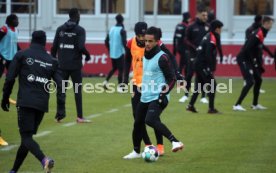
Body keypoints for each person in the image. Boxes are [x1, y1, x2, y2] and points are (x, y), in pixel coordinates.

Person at [1, 30, 63, 173]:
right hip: (41, 105)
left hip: (25, 103)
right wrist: (61, 108)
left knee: (26, 137)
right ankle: (13, 170)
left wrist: (5, 97)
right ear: (44, 41)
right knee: (26, 140)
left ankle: (44, 160)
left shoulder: (21, 55)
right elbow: (61, 85)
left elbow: (10, 78)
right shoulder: (52, 61)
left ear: (31, 40)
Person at [123, 27, 184, 159]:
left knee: (150, 120)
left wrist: (163, 94)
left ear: (157, 42)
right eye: (146, 41)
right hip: (145, 95)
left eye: (151, 41)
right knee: (138, 123)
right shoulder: (145, 52)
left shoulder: (162, 57)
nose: (147, 43)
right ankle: (136, 151)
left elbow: (172, 79)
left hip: (159, 96)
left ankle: (175, 141)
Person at [51, 8, 91, 123]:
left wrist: (54, 60)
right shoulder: (80, 30)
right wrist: (87, 55)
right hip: (75, 66)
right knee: (77, 91)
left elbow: (54, 47)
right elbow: (81, 47)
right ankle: (79, 117)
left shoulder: (60, 29)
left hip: (62, 65)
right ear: (78, 16)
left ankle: (59, 116)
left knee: (61, 90)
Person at [233, 16, 274, 111]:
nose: (271, 26)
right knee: (250, 81)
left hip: (250, 59)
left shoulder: (263, 32)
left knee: (258, 80)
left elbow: (259, 46)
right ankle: (237, 105)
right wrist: (253, 60)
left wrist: (270, 55)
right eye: (271, 24)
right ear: (266, 23)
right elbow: (247, 48)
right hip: (243, 58)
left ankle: (255, 104)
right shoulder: (258, 33)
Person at [186, 20, 224, 114]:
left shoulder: (210, 35)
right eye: (220, 28)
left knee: (199, 87)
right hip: (202, 65)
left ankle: (190, 106)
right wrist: (210, 68)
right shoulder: (211, 37)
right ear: (217, 28)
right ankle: (211, 109)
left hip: (198, 64)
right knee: (212, 85)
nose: (221, 30)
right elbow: (208, 53)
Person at [179, 6, 209, 104]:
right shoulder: (191, 26)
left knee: (202, 76)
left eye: (206, 15)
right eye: (203, 15)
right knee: (189, 74)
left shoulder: (208, 27)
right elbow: (186, 40)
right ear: (198, 15)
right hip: (192, 55)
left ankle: (203, 96)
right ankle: (185, 95)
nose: (205, 17)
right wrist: (195, 48)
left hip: (204, 56)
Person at [0, 14, 20, 146]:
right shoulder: (4, 29)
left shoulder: (15, 30)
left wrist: (20, 52)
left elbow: (15, 44)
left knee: (11, 79)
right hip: (3, 56)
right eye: (15, 20)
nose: (17, 21)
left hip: (12, 58)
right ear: (10, 21)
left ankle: (7, 96)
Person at [245, 15, 274, 94]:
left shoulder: (261, 31)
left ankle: (256, 87)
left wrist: (269, 53)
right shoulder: (256, 31)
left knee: (259, 73)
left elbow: (260, 44)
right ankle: (249, 82)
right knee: (254, 73)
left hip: (257, 54)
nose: (271, 26)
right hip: (252, 54)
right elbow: (249, 44)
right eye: (270, 24)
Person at [104, 14, 127, 92]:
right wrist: (127, 51)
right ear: (122, 20)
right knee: (121, 70)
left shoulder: (112, 29)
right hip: (120, 52)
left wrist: (109, 50)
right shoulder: (122, 30)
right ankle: (120, 87)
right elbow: (124, 43)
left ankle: (105, 82)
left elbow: (106, 41)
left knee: (114, 68)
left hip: (113, 53)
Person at [173, 12, 190, 79]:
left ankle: (180, 77)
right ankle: (183, 77)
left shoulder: (178, 25)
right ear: (187, 18)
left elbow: (174, 37)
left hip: (178, 47)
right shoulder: (186, 27)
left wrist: (174, 49)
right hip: (185, 48)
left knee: (182, 62)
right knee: (185, 63)